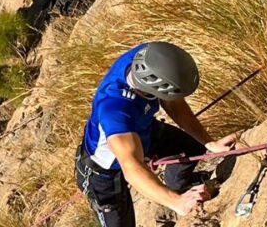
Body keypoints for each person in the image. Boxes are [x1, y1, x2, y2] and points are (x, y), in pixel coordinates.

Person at [75, 42, 236, 227]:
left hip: (143, 129)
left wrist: (209, 143)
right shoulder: (114, 111)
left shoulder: (148, 58)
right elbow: (132, 168)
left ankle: (179, 185)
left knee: (191, 146)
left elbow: (173, 104)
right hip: (104, 174)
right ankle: (177, 195)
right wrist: (178, 203)